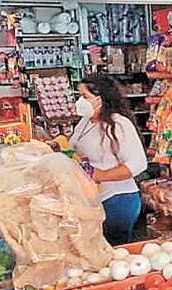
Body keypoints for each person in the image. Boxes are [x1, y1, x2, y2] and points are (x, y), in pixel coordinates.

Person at [70, 75, 147, 246]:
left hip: (117, 200)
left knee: (113, 250)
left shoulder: (119, 124)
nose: (80, 101)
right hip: (95, 199)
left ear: (101, 98)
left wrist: (100, 175)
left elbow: (138, 163)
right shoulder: (85, 122)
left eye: (85, 96)